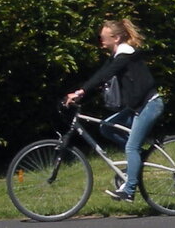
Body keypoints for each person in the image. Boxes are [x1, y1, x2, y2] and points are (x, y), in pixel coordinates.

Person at [63, 18, 164, 201]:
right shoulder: (117, 55)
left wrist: (81, 91)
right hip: (138, 106)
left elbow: (104, 76)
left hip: (149, 105)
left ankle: (129, 190)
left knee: (131, 147)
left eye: (103, 37)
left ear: (116, 38)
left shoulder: (126, 54)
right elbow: (100, 77)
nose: (101, 41)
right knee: (107, 127)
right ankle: (137, 159)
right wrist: (82, 92)